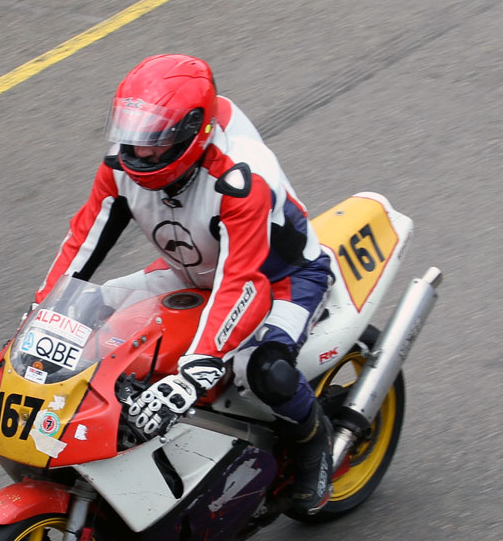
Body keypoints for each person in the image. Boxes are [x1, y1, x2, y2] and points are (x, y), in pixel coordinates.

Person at [35, 55, 335, 511]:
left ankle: (314, 439)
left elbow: (242, 284)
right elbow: (82, 242)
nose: (140, 151)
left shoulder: (241, 179)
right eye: (134, 133)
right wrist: (43, 313)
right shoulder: (121, 165)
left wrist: (195, 371)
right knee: (89, 311)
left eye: (155, 139)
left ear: (193, 131)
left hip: (281, 280)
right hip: (192, 272)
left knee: (262, 370)